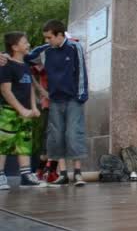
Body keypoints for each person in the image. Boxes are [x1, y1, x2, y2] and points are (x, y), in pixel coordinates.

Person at [0, 20, 90, 186]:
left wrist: (81, 96)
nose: (47, 40)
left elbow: (82, 72)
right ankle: (62, 174)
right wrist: (4, 55)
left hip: (73, 99)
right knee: (56, 137)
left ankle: (77, 174)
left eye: (49, 37)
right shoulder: (46, 50)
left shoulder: (74, 47)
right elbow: (23, 57)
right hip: (55, 100)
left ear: (59, 35)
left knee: (73, 134)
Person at [0, 31, 45, 189]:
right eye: (24, 42)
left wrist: (33, 108)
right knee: (4, 143)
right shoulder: (6, 65)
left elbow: (30, 88)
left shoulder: (25, 66)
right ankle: (0, 175)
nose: (28, 45)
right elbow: (6, 91)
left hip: (26, 111)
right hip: (9, 111)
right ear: (14, 47)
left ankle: (26, 175)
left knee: (24, 143)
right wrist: (20, 109)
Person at [30, 64, 59, 182]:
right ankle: (42, 171)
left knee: (57, 139)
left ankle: (49, 171)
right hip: (49, 107)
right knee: (48, 139)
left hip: (61, 107)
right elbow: (31, 68)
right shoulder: (43, 66)